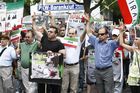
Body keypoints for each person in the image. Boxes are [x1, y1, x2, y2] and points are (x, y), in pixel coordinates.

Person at [85, 13, 119, 93]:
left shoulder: (111, 43)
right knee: (100, 91)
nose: (100, 36)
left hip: (107, 71)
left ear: (107, 35)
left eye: (102, 34)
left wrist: (121, 32)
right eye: (99, 34)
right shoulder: (96, 41)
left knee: (109, 91)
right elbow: (89, 33)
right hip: (97, 71)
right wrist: (87, 22)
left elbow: (120, 42)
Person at [61, 27, 86, 93]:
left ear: (76, 34)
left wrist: (87, 24)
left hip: (75, 67)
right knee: (64, 87)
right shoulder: (65, 40)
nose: (71, 35)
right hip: (65, 66)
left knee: (73, 88)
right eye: (69, 33)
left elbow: (84, 33)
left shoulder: (78, 40)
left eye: (72, 33)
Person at [120, 27, 140, 93]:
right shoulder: (133, 49)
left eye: (137, 39)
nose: (134, 40)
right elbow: (121, 44)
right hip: (133, 77)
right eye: (135, 39)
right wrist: (121, 32)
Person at [111, 29, 124, 93]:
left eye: (116, 36)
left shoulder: (122, 44)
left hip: (118, 67)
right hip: (110, 68)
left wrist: (121, 33)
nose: (114, 37)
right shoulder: (109, 43)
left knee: (118, 83)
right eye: (113, 35)